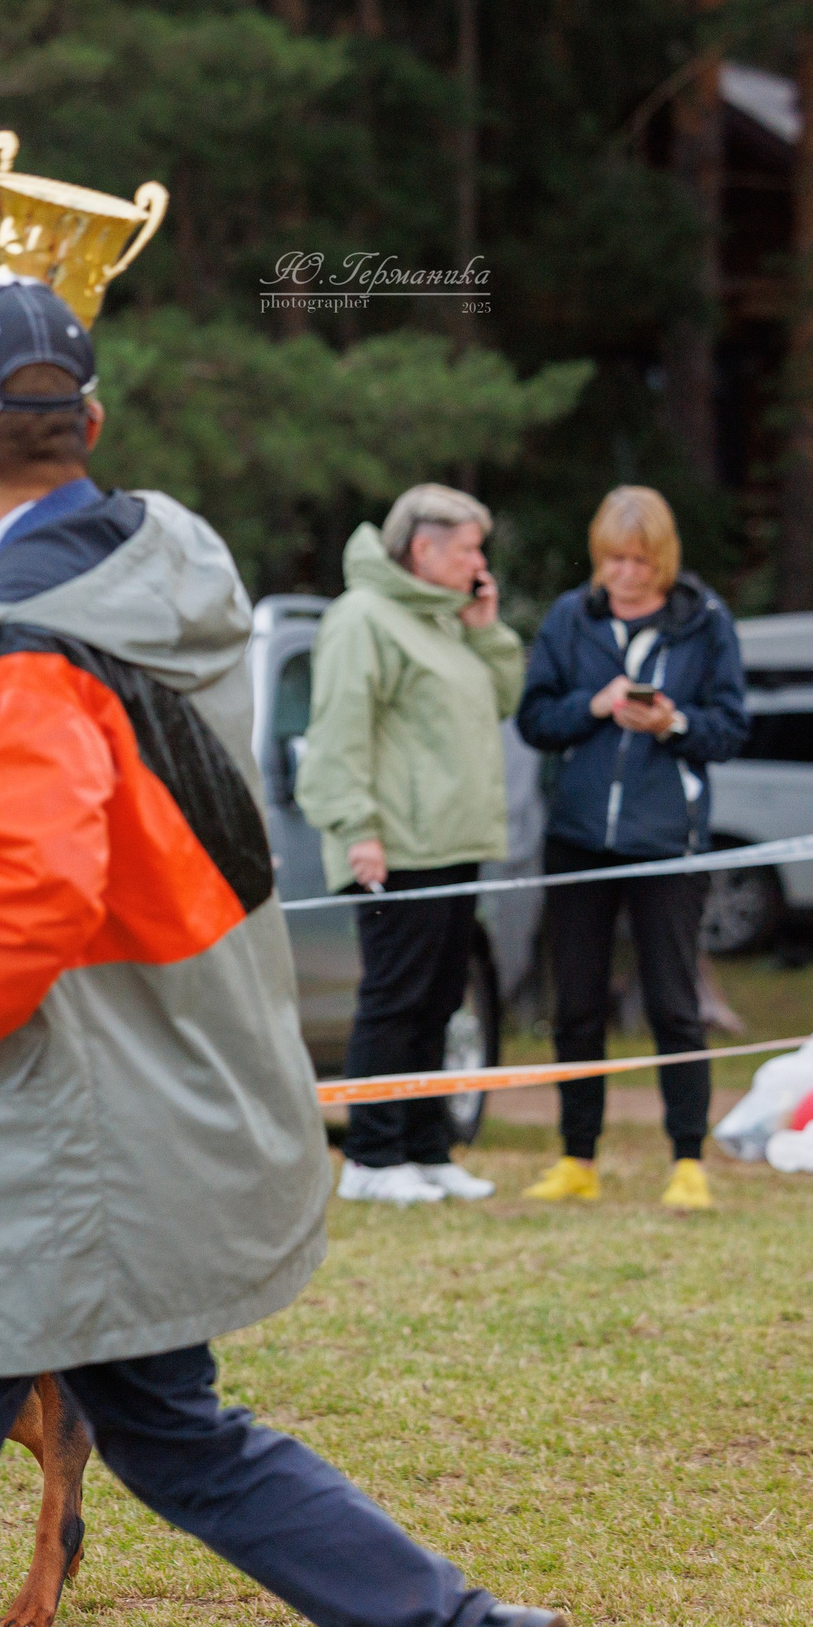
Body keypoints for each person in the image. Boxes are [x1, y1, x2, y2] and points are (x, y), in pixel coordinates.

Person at [0, 267, 568, 1627]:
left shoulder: (28, 647)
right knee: (177, 1439)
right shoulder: (147, 578)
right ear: (89, 430)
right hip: (119, 1100)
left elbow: (32, 902)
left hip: (29, 1141)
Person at [516, 486, 747, 1210]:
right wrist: (593, 706)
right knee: (577, 1004)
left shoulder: (705, 623)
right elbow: (534, 720)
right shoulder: (567, 618)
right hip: (578, 838)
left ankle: (687, 1160)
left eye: (640, 561)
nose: (627, 574)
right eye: (614, 559)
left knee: (676, 1005)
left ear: (664, 558)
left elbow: (731, 729)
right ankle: (577, 1157)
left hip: (667, 842)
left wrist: (673, 726)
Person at [295, 485, 524, 1205]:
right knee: (394, 1000)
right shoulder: (364, 617)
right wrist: (357, 827)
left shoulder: (448, 622)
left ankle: (428, 1148)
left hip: (454, 841)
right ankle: (370, 1156)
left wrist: (485, 628)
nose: (477, 562)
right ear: (422, 549)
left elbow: (502, 700)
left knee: (440, 1002)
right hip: (395, 846)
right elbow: (339, 730)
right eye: (466, 548)